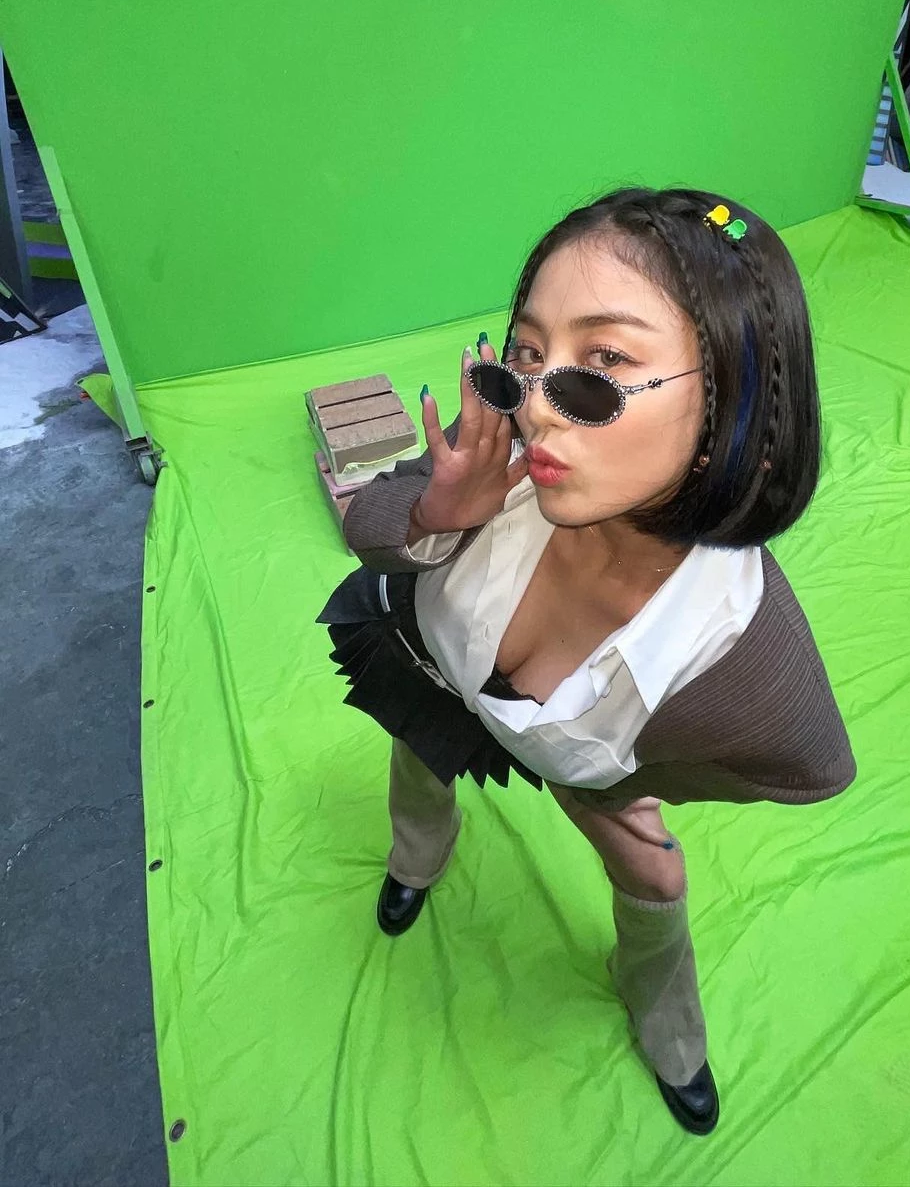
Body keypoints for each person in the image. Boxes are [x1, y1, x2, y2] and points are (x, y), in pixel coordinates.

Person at [318, 187, 855, 1136]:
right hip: (431, 671)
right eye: (527, 356)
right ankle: (417, 856)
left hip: (581, 761)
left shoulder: (738, 647)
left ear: (731, 396)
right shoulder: (500, 470)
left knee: (654, 878)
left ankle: (668, 1028)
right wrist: (438, 512)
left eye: (603, 364)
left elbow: (805, 769)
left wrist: (624, 781)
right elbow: (373, 524)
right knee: (419, 748)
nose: (532, 407)